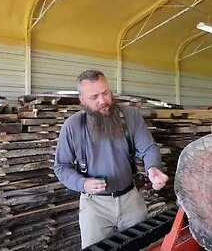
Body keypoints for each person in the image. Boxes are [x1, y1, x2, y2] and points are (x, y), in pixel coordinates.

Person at [53, 70, 169, 249]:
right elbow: (61, 167)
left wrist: (153, 168)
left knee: (143, 245)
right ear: (82, 100)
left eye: (105, 93)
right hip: (95, 206)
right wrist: (82, 183)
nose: (103, 101)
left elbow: (148, 148)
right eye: (94, 97)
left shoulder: (129, 116)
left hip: (131, 199)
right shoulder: (73, 127)